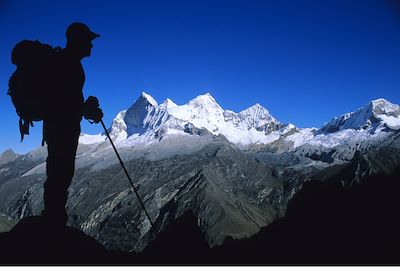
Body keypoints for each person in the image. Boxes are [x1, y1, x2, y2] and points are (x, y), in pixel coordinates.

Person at [42, 22, 103, 226]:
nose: (91, 46)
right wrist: (85, 109)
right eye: (88, 41)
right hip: (62, 129)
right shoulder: (69, 64)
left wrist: (84, 108)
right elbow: (61, 103)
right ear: (78, 41)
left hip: (59, 127)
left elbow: (65, 102)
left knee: (58, 175)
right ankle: (53, 222)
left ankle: (53, 219)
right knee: (60, 175)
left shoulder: (68, 63)